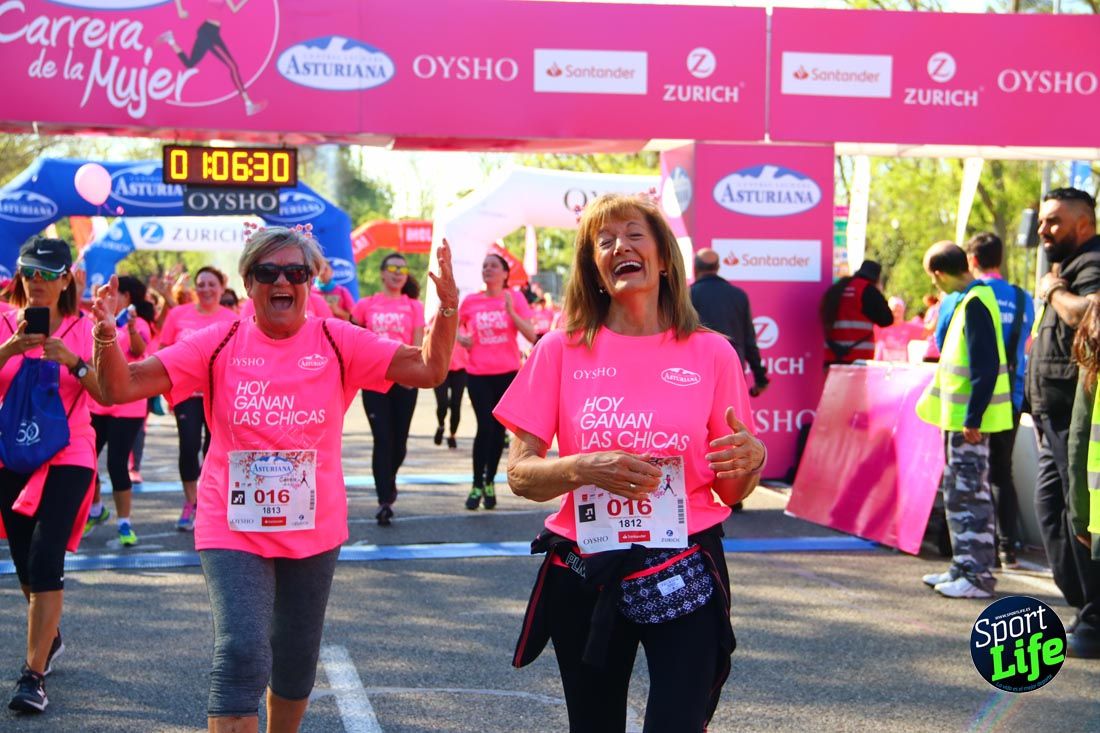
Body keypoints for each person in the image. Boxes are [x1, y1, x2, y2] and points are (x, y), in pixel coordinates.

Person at [91, 225, 458, 732]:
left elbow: (429, 369)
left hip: (314, 527)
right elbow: (118, 386)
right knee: (241, 649)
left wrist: (447, 310)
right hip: (230, 522)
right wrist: (106, 333)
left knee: (295, 657)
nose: (282, 281)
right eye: (268, 272)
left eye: (295, 272)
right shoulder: (217, 342)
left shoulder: (335, 338)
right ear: (248, 282)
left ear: (310, 282)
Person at [496, 193, 765, 732]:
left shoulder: (712, 352)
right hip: (586, 564)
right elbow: (521, 475)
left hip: (683, 563)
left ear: (663, 257)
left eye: (633, 234)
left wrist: (751, 461)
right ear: (593, 269)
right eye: (604, 241)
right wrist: (583, 467)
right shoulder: (559, 350)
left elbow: (734, 491)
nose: (620, 246)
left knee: (679, 723)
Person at [0, 237, 108, 713]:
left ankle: (33, 675)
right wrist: (9, 349)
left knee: (46, 558)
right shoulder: (3, 318)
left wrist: (75, 362)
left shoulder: (87, 328)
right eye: (30, 273)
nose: (38, 283)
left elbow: (108, 392)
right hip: (11, 453)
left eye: (48, 275)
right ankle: (50, 636)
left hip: (71, 451)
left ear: (66, 279)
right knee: (24, 564)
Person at [917, 242, 1013, 599]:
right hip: (959, 420)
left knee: (971, 496)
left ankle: (977, 575)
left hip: (969, 423)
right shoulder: (969, 300)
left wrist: (973, 416)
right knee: (958, 494)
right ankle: (962, 566)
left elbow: (985, 366)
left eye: (933, 278)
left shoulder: (974, 303)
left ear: (940, 274)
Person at [1027, 187, 1100, 658]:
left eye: (1054, 221)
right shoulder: (1066, 267)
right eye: (1042, 222)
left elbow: (1090, 315)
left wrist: (1053, 292)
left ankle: (1093, 621)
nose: (1043, 230)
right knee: (1053, 512)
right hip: (1053, 414)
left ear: (1084, 222)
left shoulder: (1092, 263)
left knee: (1082, 516)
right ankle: (1081, 606)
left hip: (1082, 417)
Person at [960, 232, 1034, 567]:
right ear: (1000, 259)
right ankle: (1009, 548)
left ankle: (980, 548)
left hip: (976, 398)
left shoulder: (973, 295)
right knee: (1002, 472)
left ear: (972, 260)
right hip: (1013, 396)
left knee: (975, 474)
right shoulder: (1023, 297)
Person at [159, 266, 238, 531]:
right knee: (189, 446)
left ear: (222, 286)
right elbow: (163, 351)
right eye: (201, 284)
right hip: (186, 395)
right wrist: (165, 390)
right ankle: (191, 502)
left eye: (211, 284)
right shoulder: (178, 315)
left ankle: (209, 502)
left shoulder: (231, 318)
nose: (206, 289)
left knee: (214, 450)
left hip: (220, 396)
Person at [350, 253, 425, 526]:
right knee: (382, 439)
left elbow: (418, 344)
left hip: (404, 380)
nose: (398, 272)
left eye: (402, 268)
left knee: (399, 442)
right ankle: (384, 499)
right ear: (382, 274)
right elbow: (353, 340)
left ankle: (389, 481)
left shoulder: (414, 306)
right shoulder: (365, 305)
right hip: (374, 379)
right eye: (392, 267)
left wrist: (414, 374)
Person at [457, 253, 536, 510]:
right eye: (484, 266)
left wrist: (511, 310)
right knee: (485, 428)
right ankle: (476, 484)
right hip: (478, 373)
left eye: (493, 266)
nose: (487, 269)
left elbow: (531, 334)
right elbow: (451, 325)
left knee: (498, 430)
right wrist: (461, 337)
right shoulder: (470, 301)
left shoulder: (515, 297)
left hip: (507, 373)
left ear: (504, 274)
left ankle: (489, 481)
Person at [84, 276, 156, 547]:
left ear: (128, 297)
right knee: (85, 461)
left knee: (116, 465)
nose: (116, 297)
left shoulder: (141, 324)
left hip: (128, 407)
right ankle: (96, 508)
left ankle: (124, 522)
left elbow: (140, 351)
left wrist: (134, 328)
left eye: (120, 294)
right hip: (98, 404)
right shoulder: (99, 320)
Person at [159, 0, 265, 116]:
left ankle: (170, 40)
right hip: (208, 33)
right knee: (233, 66)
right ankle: (248, 104)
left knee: (190, 64)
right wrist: (180, 10)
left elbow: (234, 10)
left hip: (210, 31)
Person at [690, 249, 769, 397]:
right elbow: (749, 341)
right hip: (732, 369)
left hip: (696, 374)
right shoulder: (738, 295)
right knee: (729, 418)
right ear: (718, 267)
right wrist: (760, 379)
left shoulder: (688, 296)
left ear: (695, 268)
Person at [820, 259, 893, 365]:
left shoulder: (837, 287)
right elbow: (886, 319)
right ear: (876, 278)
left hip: (831, 356)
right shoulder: (868, 290)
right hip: (857, 358)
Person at [431, 317, 468, 450]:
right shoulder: (436, 321)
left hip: (460, 370)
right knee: (442, 403)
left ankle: (452, 435)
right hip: (440, 369)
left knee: (456, 404)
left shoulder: (465, 324)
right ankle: (441, 425)